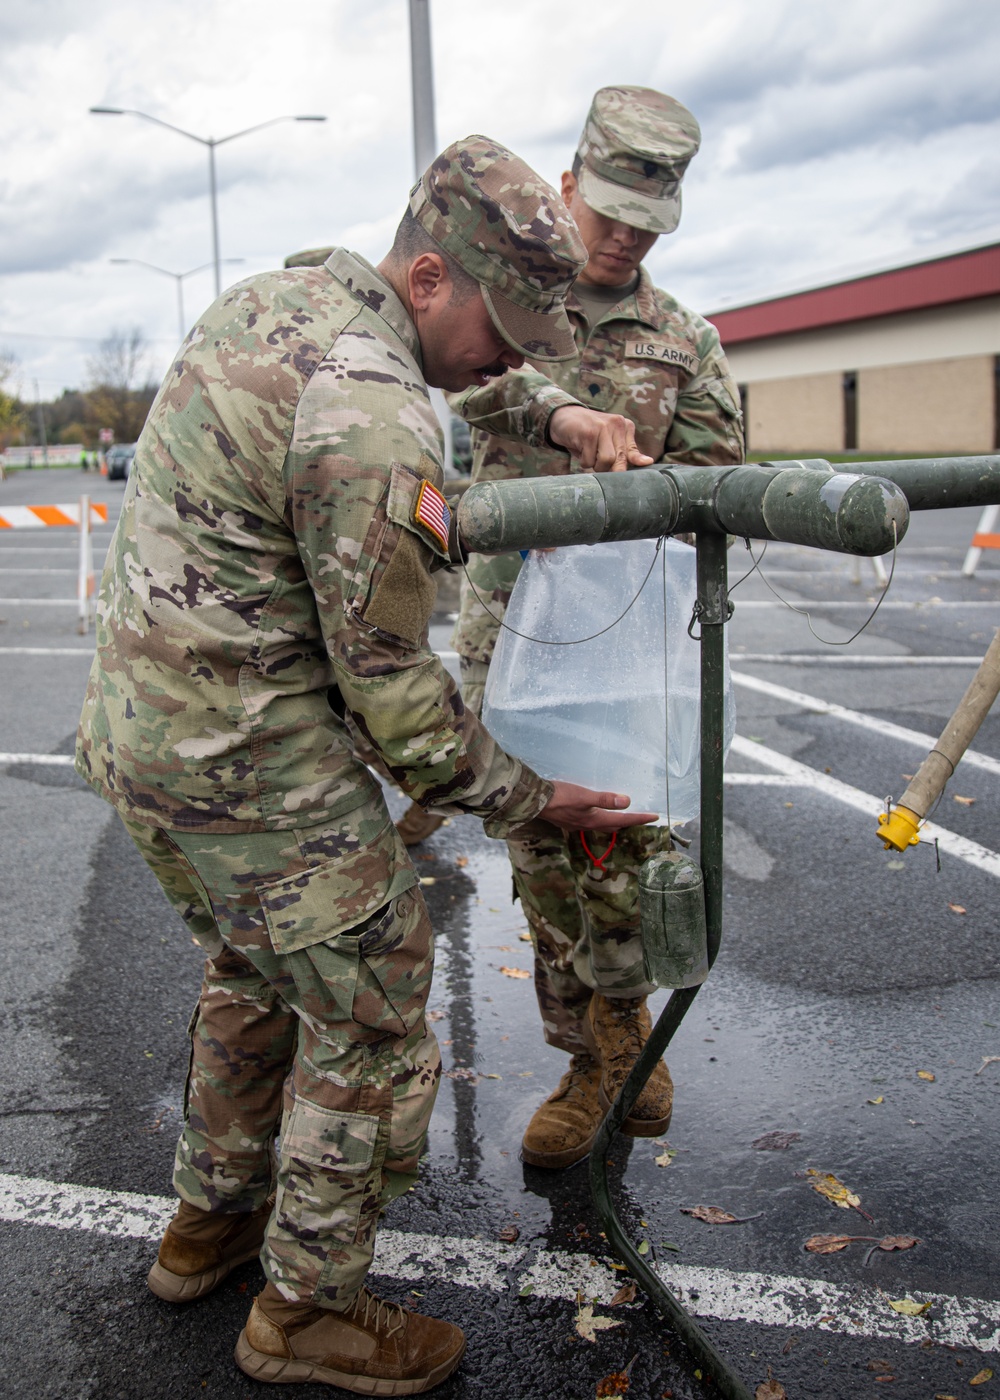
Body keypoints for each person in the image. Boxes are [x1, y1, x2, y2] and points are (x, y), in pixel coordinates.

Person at [75, 134, 656, 1395]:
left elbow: (469, 391)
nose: (505, 358)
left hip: (145, 733)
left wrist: (555, 407)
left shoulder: (279, 300)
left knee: (260, 962)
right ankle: (304, 1310)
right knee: (379, 988)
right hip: (245, 758)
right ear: (432, 274)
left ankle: (207, 1226)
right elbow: (394, 689)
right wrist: (526, 791)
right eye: (500, 329)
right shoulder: (380, 411)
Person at [449, 87, 745, 1170]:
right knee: (536, 842)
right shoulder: (506, 302)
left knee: (621, 831)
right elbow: (474, 389)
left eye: (644, 223)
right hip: (509, 629)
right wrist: (562, 417)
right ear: (567, 185)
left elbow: (719, 475)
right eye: (606, 210)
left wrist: (642, 495)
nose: (619, 237)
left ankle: (624, 1033)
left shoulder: (685, 341)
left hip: (623, 630)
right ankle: (584, 1055)